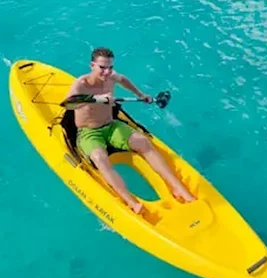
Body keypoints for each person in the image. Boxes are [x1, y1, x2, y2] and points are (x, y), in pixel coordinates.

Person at [63, 47, 196, 215]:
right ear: (92, 65)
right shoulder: (81, 84)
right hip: (89, 132)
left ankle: (177, 187)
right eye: (102, 67)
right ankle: (131, 202)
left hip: (112, 126)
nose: (107, 72)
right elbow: (68, 103)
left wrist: (140, 94)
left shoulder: (111, 77)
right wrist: (96, 99)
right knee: (99, 158)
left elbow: (123, 79)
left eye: (110, 67)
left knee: (143, 142)